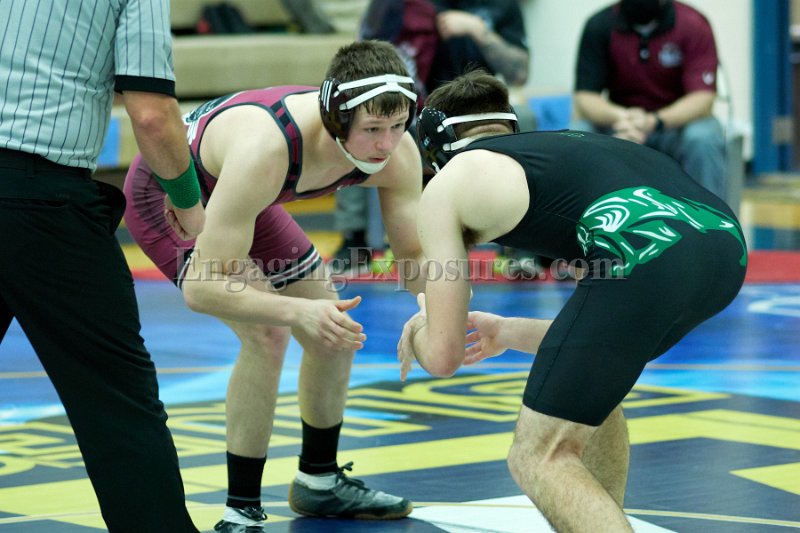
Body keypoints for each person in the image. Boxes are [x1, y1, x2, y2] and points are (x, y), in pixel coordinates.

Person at [398, 70, 747, 532]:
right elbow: (605, 332)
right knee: (591, 390)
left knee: (539, 455)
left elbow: (444, 355)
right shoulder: (571, 153)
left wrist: (419, 328)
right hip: (726, 249)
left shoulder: (451, 181)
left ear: (434, 152)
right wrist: (504, 331)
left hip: (648, 259)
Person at [124, 40, 424, 532]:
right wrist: (297, 311)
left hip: (247, 196)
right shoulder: (267, 148)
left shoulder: (399, 153)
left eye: (398, 126)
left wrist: (434, 311)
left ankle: (319, 481)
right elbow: (203, 290)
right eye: (372, 129)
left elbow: (412, 256)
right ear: (335, 117)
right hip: (175, 192)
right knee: (267, 333)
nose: (386, 145)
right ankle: (240, 509)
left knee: (334, 329)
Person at [0, 2, 204, 532]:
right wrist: (189, 203)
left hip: (32, 193)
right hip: (39, 201)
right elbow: (152, 114)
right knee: (116, 401)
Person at [332, 0, 530, 266]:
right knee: (356, 127)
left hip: (477, 116)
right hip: (414, 113)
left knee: (524, 119)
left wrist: (479, 31)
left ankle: (523, 245)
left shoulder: (501, 5)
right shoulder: (394, 4)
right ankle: (353, 239)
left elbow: (520, 74)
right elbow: (364, 60)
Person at [573, 0, 727, 198]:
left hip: (674, 126)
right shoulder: (599, 24)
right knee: (578, 133)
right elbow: (585, 97)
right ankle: (579, 216)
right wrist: (623, 118)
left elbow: (703, 99)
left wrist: (654, 121)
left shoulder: (693, 24)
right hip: (621, 124)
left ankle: (708, 216)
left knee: (703, 138)